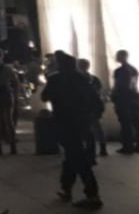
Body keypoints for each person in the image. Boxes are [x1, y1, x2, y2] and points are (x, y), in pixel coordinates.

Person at [41, 51, 102, 210]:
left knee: (78, 159)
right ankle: (66, 187)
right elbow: (96, 100)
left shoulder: (56, 79)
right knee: (72, 155)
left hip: (64, 123)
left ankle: (92, 194)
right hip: (80, 123)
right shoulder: (81, 79)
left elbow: (44, 97)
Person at [111, 50, 139, 154]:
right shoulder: (133, 69)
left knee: (125, 123)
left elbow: (119, 85)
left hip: (123, 99)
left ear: (122, 57)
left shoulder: (119, 71)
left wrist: (114, 95)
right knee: (137, 123)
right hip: (134, 98)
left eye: (118, 55)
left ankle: (128, 146)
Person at [77, 59, 108, 161]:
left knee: (85, 129)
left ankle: (88, 150)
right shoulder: (94, 79)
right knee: (97, 127)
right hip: (95, 106)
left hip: (84, 107)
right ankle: (102, 147)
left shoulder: (78, 79)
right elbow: (98, 92)